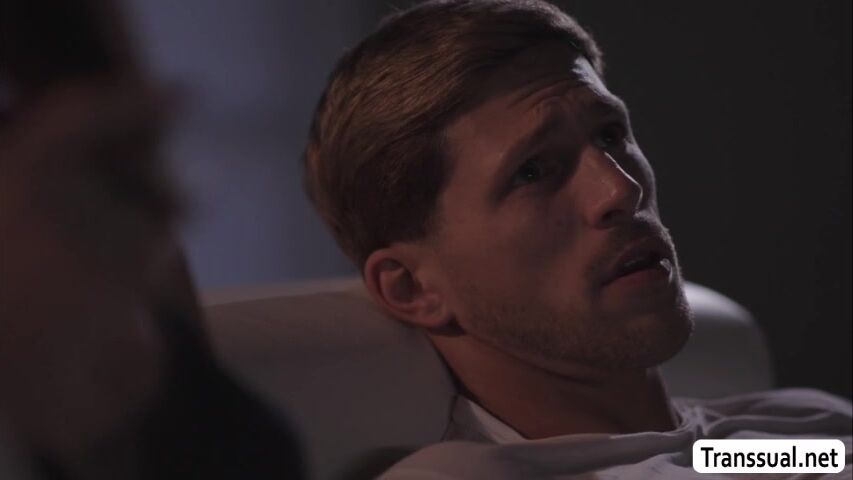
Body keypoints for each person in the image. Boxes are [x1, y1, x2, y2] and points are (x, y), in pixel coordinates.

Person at [302, 0, 852, 477]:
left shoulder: (793, 433)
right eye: (533, 171)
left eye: (611, 134)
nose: (621, 188)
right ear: (412, 287)